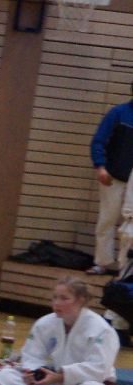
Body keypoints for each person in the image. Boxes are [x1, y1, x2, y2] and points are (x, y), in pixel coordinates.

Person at [0, 276, 130, 385]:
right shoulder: (45, 323)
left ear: (80, 300)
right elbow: (31, 355)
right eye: (54, 297)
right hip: (48, 383)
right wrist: (33, 373)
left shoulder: (101, 329)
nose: (57, 303)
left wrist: (61, 376)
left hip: (82, 384)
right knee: (5, 376)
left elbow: (99, 367)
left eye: (64, 298)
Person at [88, 83, 133, 277]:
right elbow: (99, 141)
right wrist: (100, 166)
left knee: (131, 226)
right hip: (113, 177)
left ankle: (126, 268)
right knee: (107, 219)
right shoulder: (118, 113)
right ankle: (102, 263)